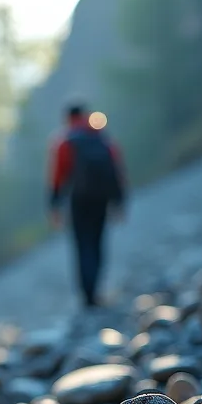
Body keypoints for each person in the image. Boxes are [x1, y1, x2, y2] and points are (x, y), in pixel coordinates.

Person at [48, 104, 126, 308]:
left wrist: (54, 205)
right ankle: (97, 290)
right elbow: (117, 169)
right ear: (84, 115)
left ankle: (89, 296)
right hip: (102, 198)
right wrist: (119, 201)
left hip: (79, 199)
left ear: (68, 118)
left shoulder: (65, 141)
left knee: (83, 246)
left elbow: (57, 176)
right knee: (98, 243)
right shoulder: (101, 137)